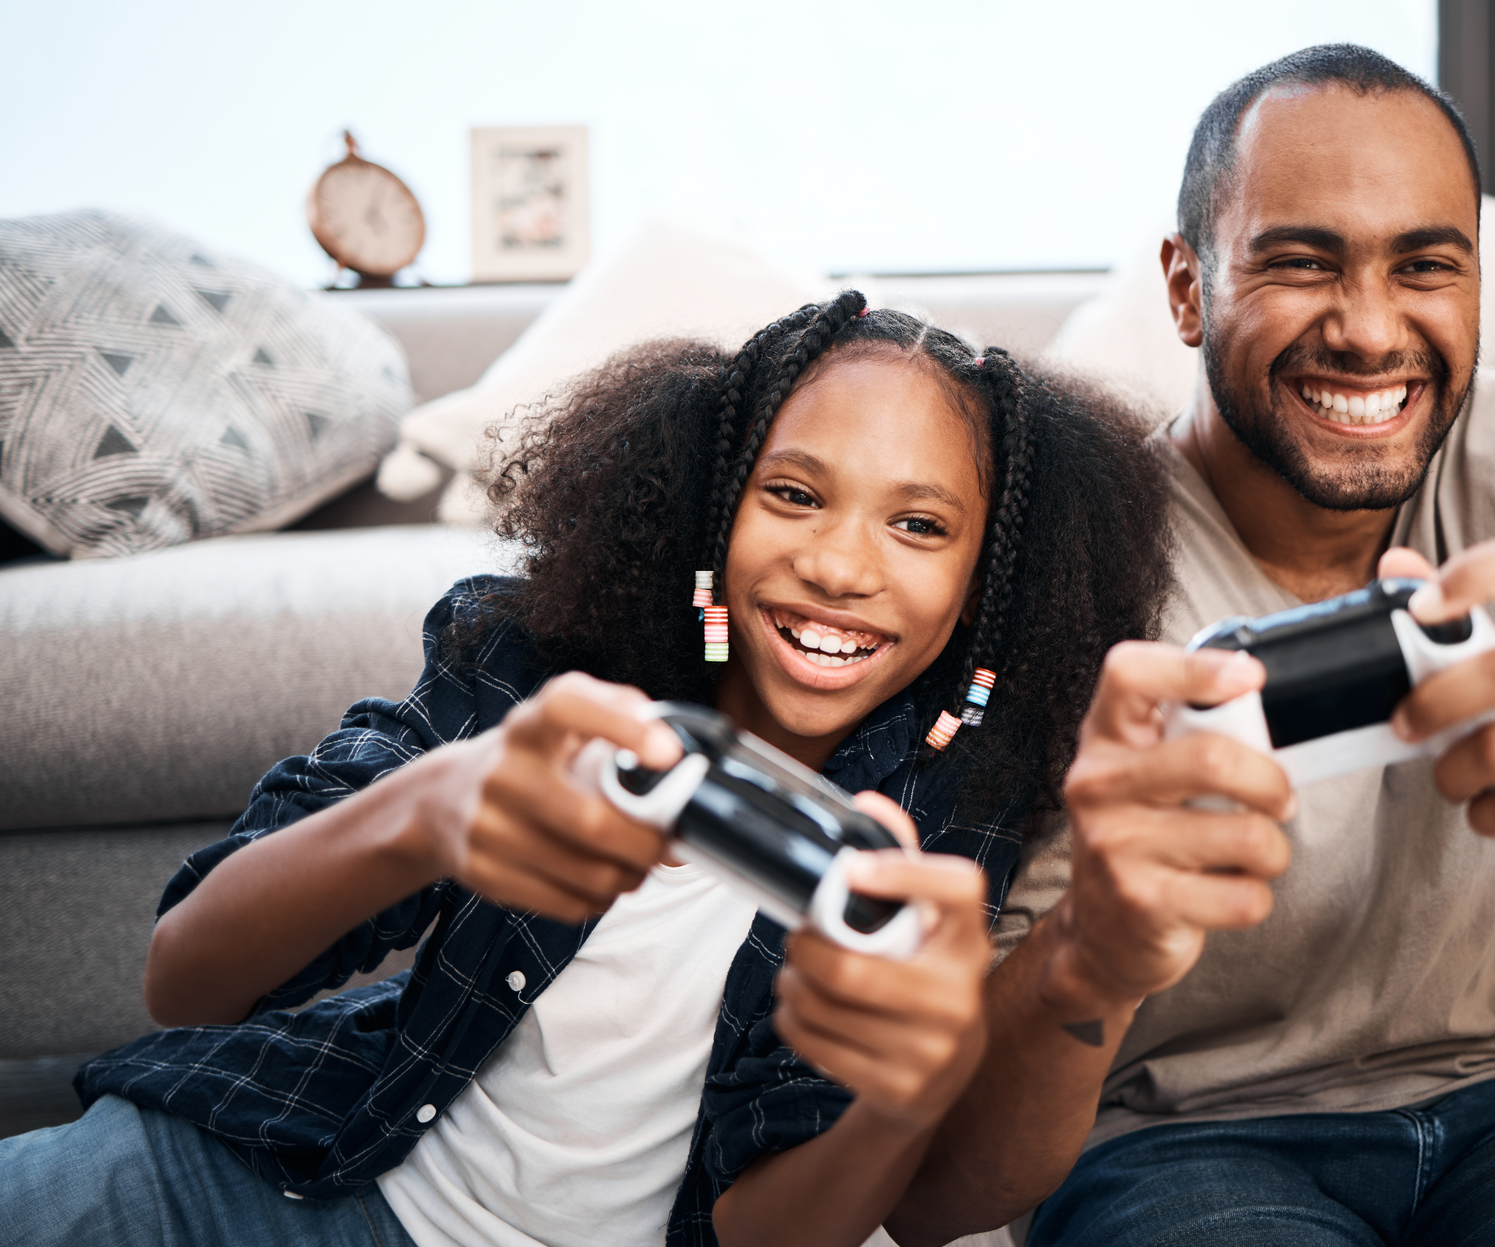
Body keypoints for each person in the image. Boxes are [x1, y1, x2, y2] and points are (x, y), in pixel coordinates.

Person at [890, 45, 1495, 1247]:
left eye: (1423, 266)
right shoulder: (1054, 561)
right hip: (1169, 1138)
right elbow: (935, 1190)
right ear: (1187, 287)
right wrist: (1083, 955)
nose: (1367, 330)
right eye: (1301, 261)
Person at [0, 294, 1173, 1247]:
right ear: (714, 512)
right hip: (315, 1165)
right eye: (795, 494)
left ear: (988, 581)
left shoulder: (951, 802)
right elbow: (184, 977)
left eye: (918, 526)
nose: (838, 563)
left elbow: (767, 1231)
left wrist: (910, 1096)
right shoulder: (530, 661)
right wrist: (426, 808)